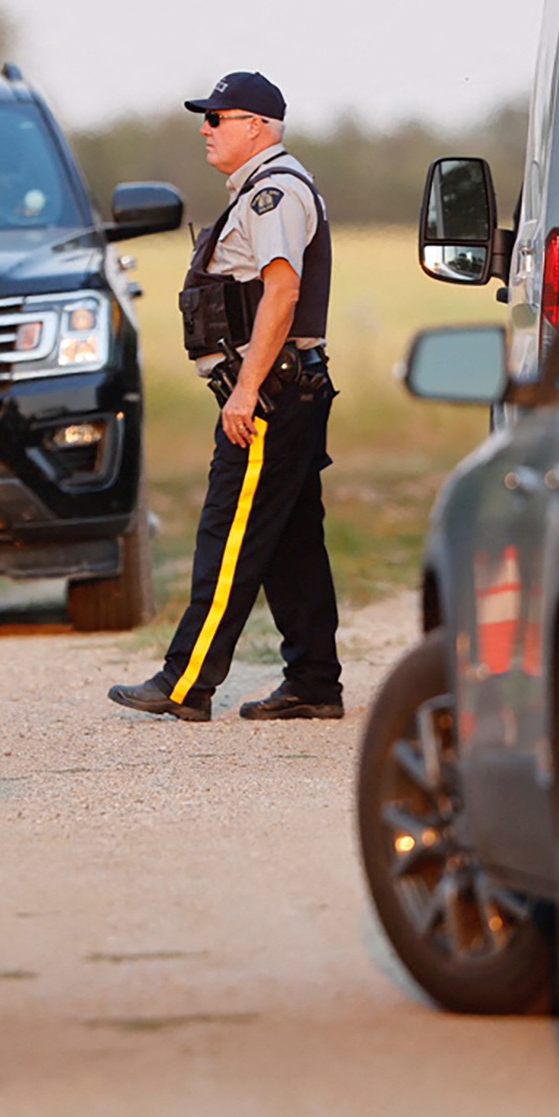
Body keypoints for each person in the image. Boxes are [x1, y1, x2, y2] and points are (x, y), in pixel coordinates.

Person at [108, 71, 343, 722]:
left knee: (230, 535)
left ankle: (187, 682)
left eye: (219, 117)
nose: (206, 128)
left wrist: (244, 389)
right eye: (206, 117)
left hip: (267, 393)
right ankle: (315, 681)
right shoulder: (263, 190)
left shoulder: (275, 194)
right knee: (292, 541)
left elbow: (281, 293)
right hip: (281, 389)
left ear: (259, 128)